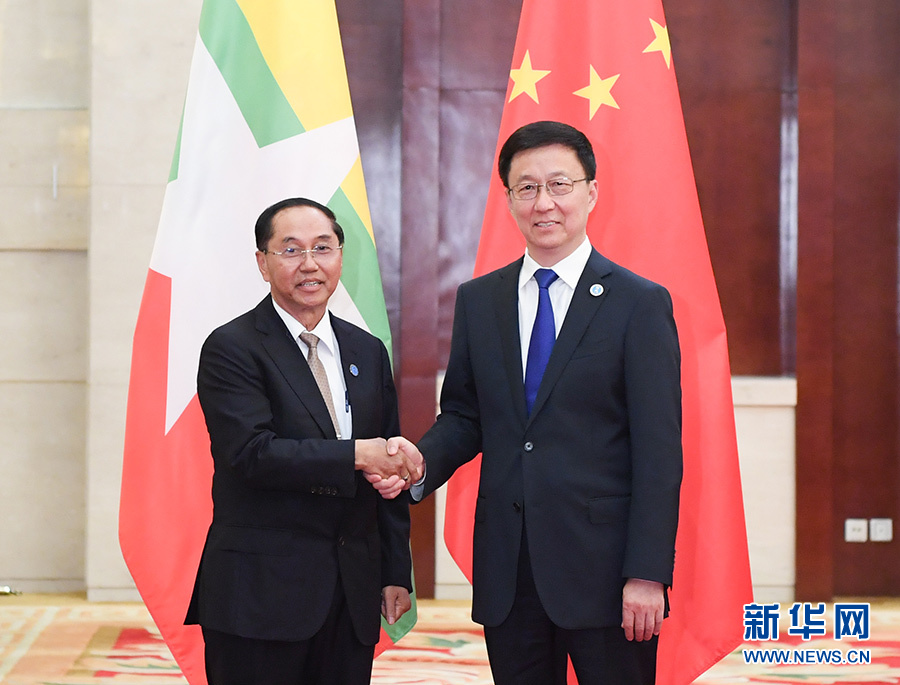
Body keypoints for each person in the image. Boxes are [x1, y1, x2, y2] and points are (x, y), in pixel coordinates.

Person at [377, 121, 683, 684]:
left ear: (591, 192)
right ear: (509, 200)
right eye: (527, 188)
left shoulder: (638, 303)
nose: (544, 203)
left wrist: (647, 572)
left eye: (560, 185)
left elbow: (659, 452)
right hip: (509, 568)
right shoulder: (480, 300)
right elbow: (465, 415)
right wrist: (420, 462)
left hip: (606, 570)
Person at [185, 197, 423, 685]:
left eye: (323, 248)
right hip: (260, 595)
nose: (310, 264)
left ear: (340, 257)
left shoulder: (367, 351)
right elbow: (251, 454)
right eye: (291, 250)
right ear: (263, 263)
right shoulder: (232, 347)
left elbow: (387, 469)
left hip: (350, 593)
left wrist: (395, 571)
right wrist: (357, 454)